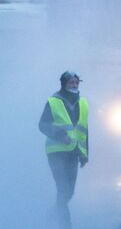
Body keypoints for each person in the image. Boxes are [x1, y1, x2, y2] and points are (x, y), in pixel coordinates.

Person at [39, 71, 89, 229]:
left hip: (74, 153)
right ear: (63, 84)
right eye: (71, 83)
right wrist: (61, 135)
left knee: (69, 192)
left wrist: (84, 154)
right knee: (62, 189)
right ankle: (65, 224)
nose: (74, 85)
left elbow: (84, 131)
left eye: (76, 83)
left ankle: (52, 214)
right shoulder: (53, 101)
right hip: (57, 152)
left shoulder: (83, 103)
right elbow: (43, 125)